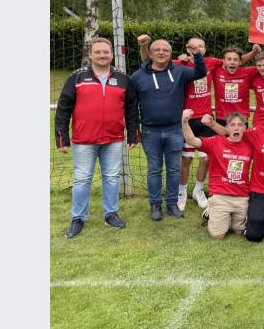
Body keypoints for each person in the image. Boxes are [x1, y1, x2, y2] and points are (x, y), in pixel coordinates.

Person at [55, 38, 139, 238]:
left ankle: (110, 214)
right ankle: (78, 218)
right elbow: (63, 109)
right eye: (98, 52)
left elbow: (131, 109)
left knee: (111, 178)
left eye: (106, 52)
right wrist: (61, 138)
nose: (102, 55)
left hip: (113, 138)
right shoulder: (76, 78)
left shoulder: (123, 78)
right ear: (90, 54)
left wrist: (134, 133)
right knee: (82, 179)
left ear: (112, 54)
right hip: (84, 140)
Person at [131, 37, 206, 221]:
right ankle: (155, 205)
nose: (161, 53)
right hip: (150, 132)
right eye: (157, 50)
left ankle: (172, 204)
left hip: (174, 130)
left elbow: (200, 73)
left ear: (171, 54)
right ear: (150, 53)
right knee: (154, 169)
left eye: (165, 50)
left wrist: (196, 54)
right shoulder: (137, 77)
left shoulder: (180, 71)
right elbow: (131, 107)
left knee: (173, 169)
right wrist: (133, 131)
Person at [207, 102, 264, 242]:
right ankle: (214, 211)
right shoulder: (256, 132)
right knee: (254, 236)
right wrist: (212, 124)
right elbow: (230, 133)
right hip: (260, 189)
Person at [181, 110, 252, 240]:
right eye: (232, 125)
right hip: (221, 195)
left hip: (241, 196)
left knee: (239, 231)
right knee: (218, 235)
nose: (236, 127)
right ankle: (212, 211)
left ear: (245, 128)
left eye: (240, 125)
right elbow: (191, 140)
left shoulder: (250, 145)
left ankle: (226, 215)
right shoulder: (216, 143)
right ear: (226, 128)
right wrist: (185, 122)